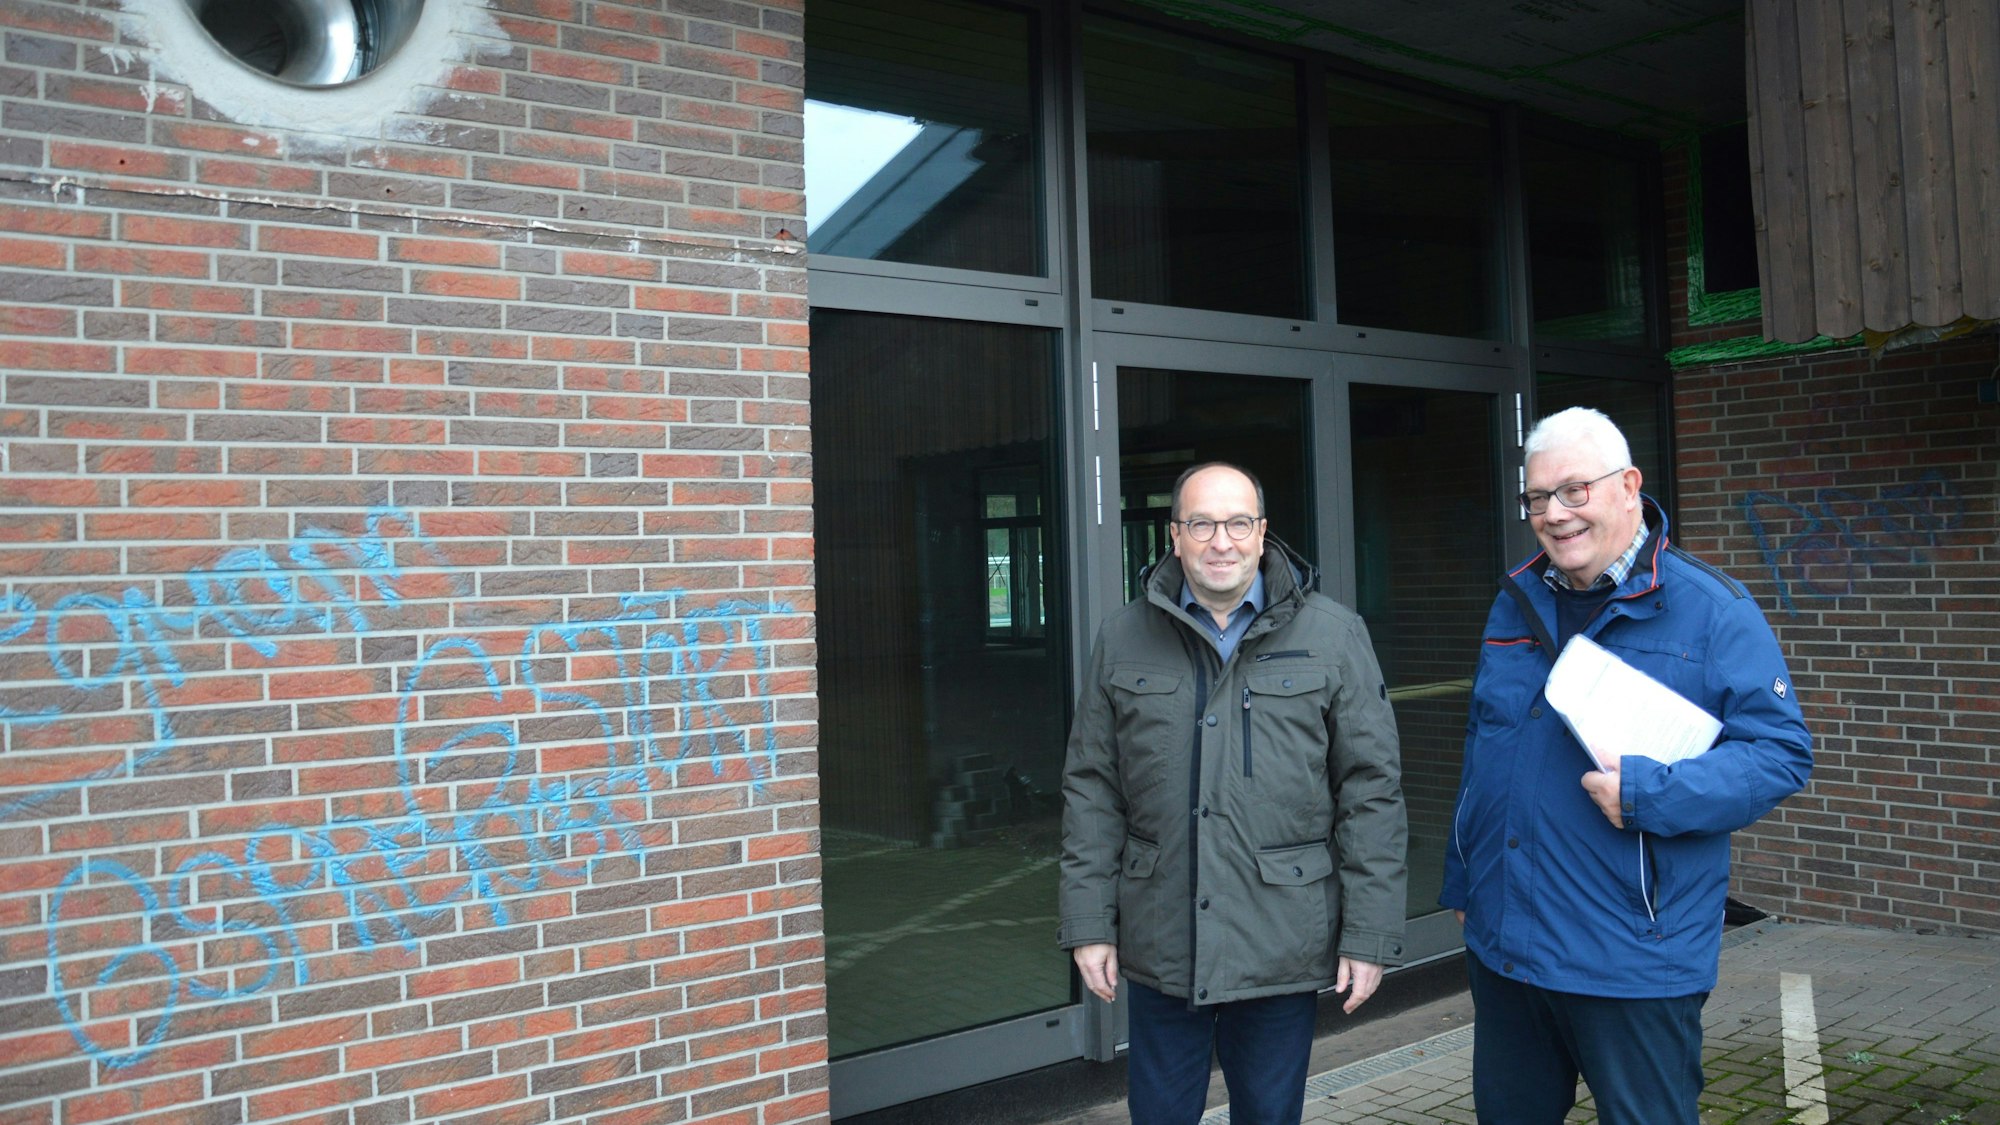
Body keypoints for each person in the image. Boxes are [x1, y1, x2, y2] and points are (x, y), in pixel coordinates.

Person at [1441, 407, 1813, 1125]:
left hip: (1632, 958)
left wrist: (1650, 793)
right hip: (1507, 949)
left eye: (1574, 490)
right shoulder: (1514, 602)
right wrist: (1464, 875)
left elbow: (1779, 753)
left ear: (1629, 486)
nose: (1554, 513)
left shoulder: (1711, 610)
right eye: (1538, 497)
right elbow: (1485, 749)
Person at [1059, 461, 1408, 1125]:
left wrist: (1369, 934)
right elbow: (1093, 788)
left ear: (1263, 531)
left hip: (1281, 939)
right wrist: (1088, 922)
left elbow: (1372, 792)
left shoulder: (1334, 635)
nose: (1222, 540)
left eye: (1238, 522)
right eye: (1202, 523)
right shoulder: (1123, 635)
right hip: (1163, 937)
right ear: (1175, 535)